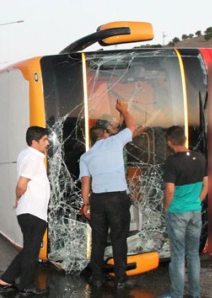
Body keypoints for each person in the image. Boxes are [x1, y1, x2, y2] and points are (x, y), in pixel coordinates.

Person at [79, 99, 136, 289]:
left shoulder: (86, 156)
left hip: (98, 200)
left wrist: (86, 203)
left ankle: (97, 277)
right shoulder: (115, 141)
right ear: (104, 134)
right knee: (119, 238)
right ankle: (120, 278)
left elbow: (86, 182)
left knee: (98, 239)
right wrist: (124, 110)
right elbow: (131, 127)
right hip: (117, 198)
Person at [0, 126, 51, 296]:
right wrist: (17, 197)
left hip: (30, 211)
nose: (47, 143)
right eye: (44, 140)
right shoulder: (32, 158)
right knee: (31, 251)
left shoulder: (26, 154)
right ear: (34, 142)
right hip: (33, 212)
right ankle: (26, 285)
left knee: (29, 249)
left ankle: (7, 278)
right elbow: (22, 184)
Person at [160, 126, 208, 298]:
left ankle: (176, 294)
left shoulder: (172, 162)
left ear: (169, 142)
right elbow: (207, 185)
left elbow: (170, 190)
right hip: (195, 211)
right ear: (185, 139)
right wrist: (196, 201)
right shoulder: (200, 158)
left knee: (178, 256)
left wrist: (167, 207)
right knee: (193, 254)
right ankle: (195, 293)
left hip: (177, 213)